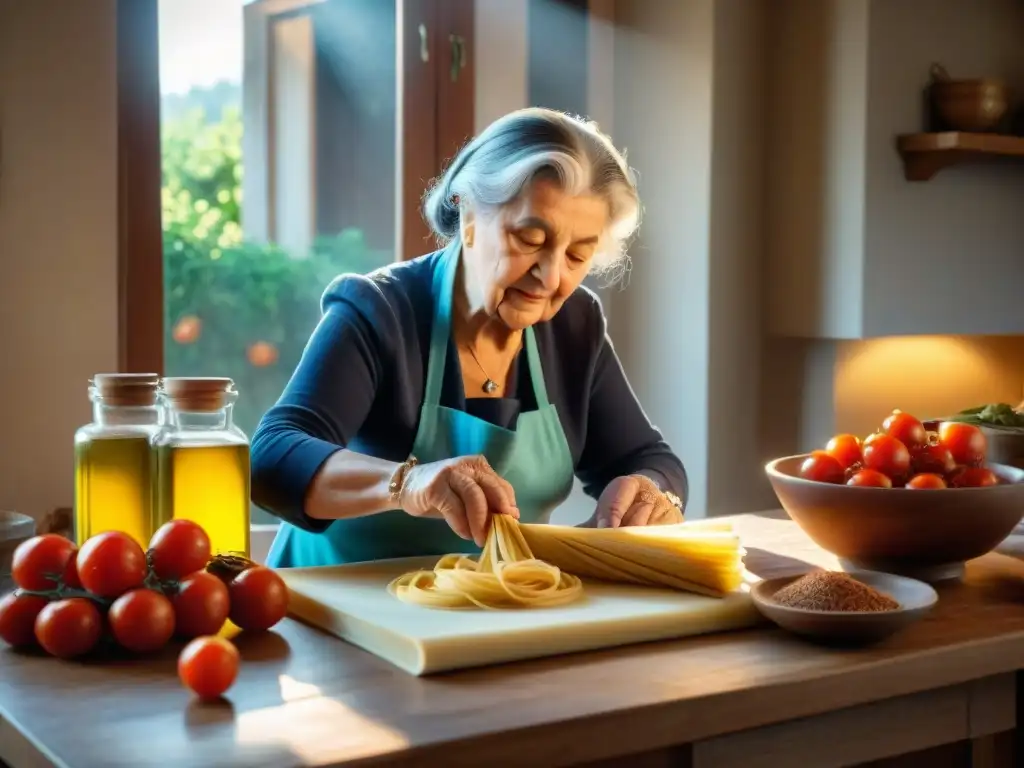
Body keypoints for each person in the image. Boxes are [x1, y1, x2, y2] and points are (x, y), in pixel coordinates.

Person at [252, 107, 688, 568]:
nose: (550, 276)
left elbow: (648, 458)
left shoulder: (575, 325)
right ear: (468, 213)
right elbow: (272, 458)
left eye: (577, 255)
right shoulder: (379, 310)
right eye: (530, 239)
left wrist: (652, 492)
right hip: (331, 609)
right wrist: (409, 484)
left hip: (478, 617)